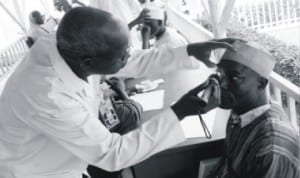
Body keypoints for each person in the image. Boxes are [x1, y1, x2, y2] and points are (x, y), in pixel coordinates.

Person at [0, 7, 234, 178]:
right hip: (33, 170)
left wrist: (191, 51)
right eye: (122, 54)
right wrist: (180, 110)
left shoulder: (67, 45)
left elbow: (131, 60)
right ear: (89, 62)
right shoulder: (48, 95)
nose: (129, 56)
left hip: (62, 158)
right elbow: (113, 153)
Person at [206, 40, 300, 177]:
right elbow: (226, 163)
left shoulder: (271, 148)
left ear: (261, 84)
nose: (223, 84)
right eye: (221, 75)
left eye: (235, 77)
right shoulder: (240, 112)